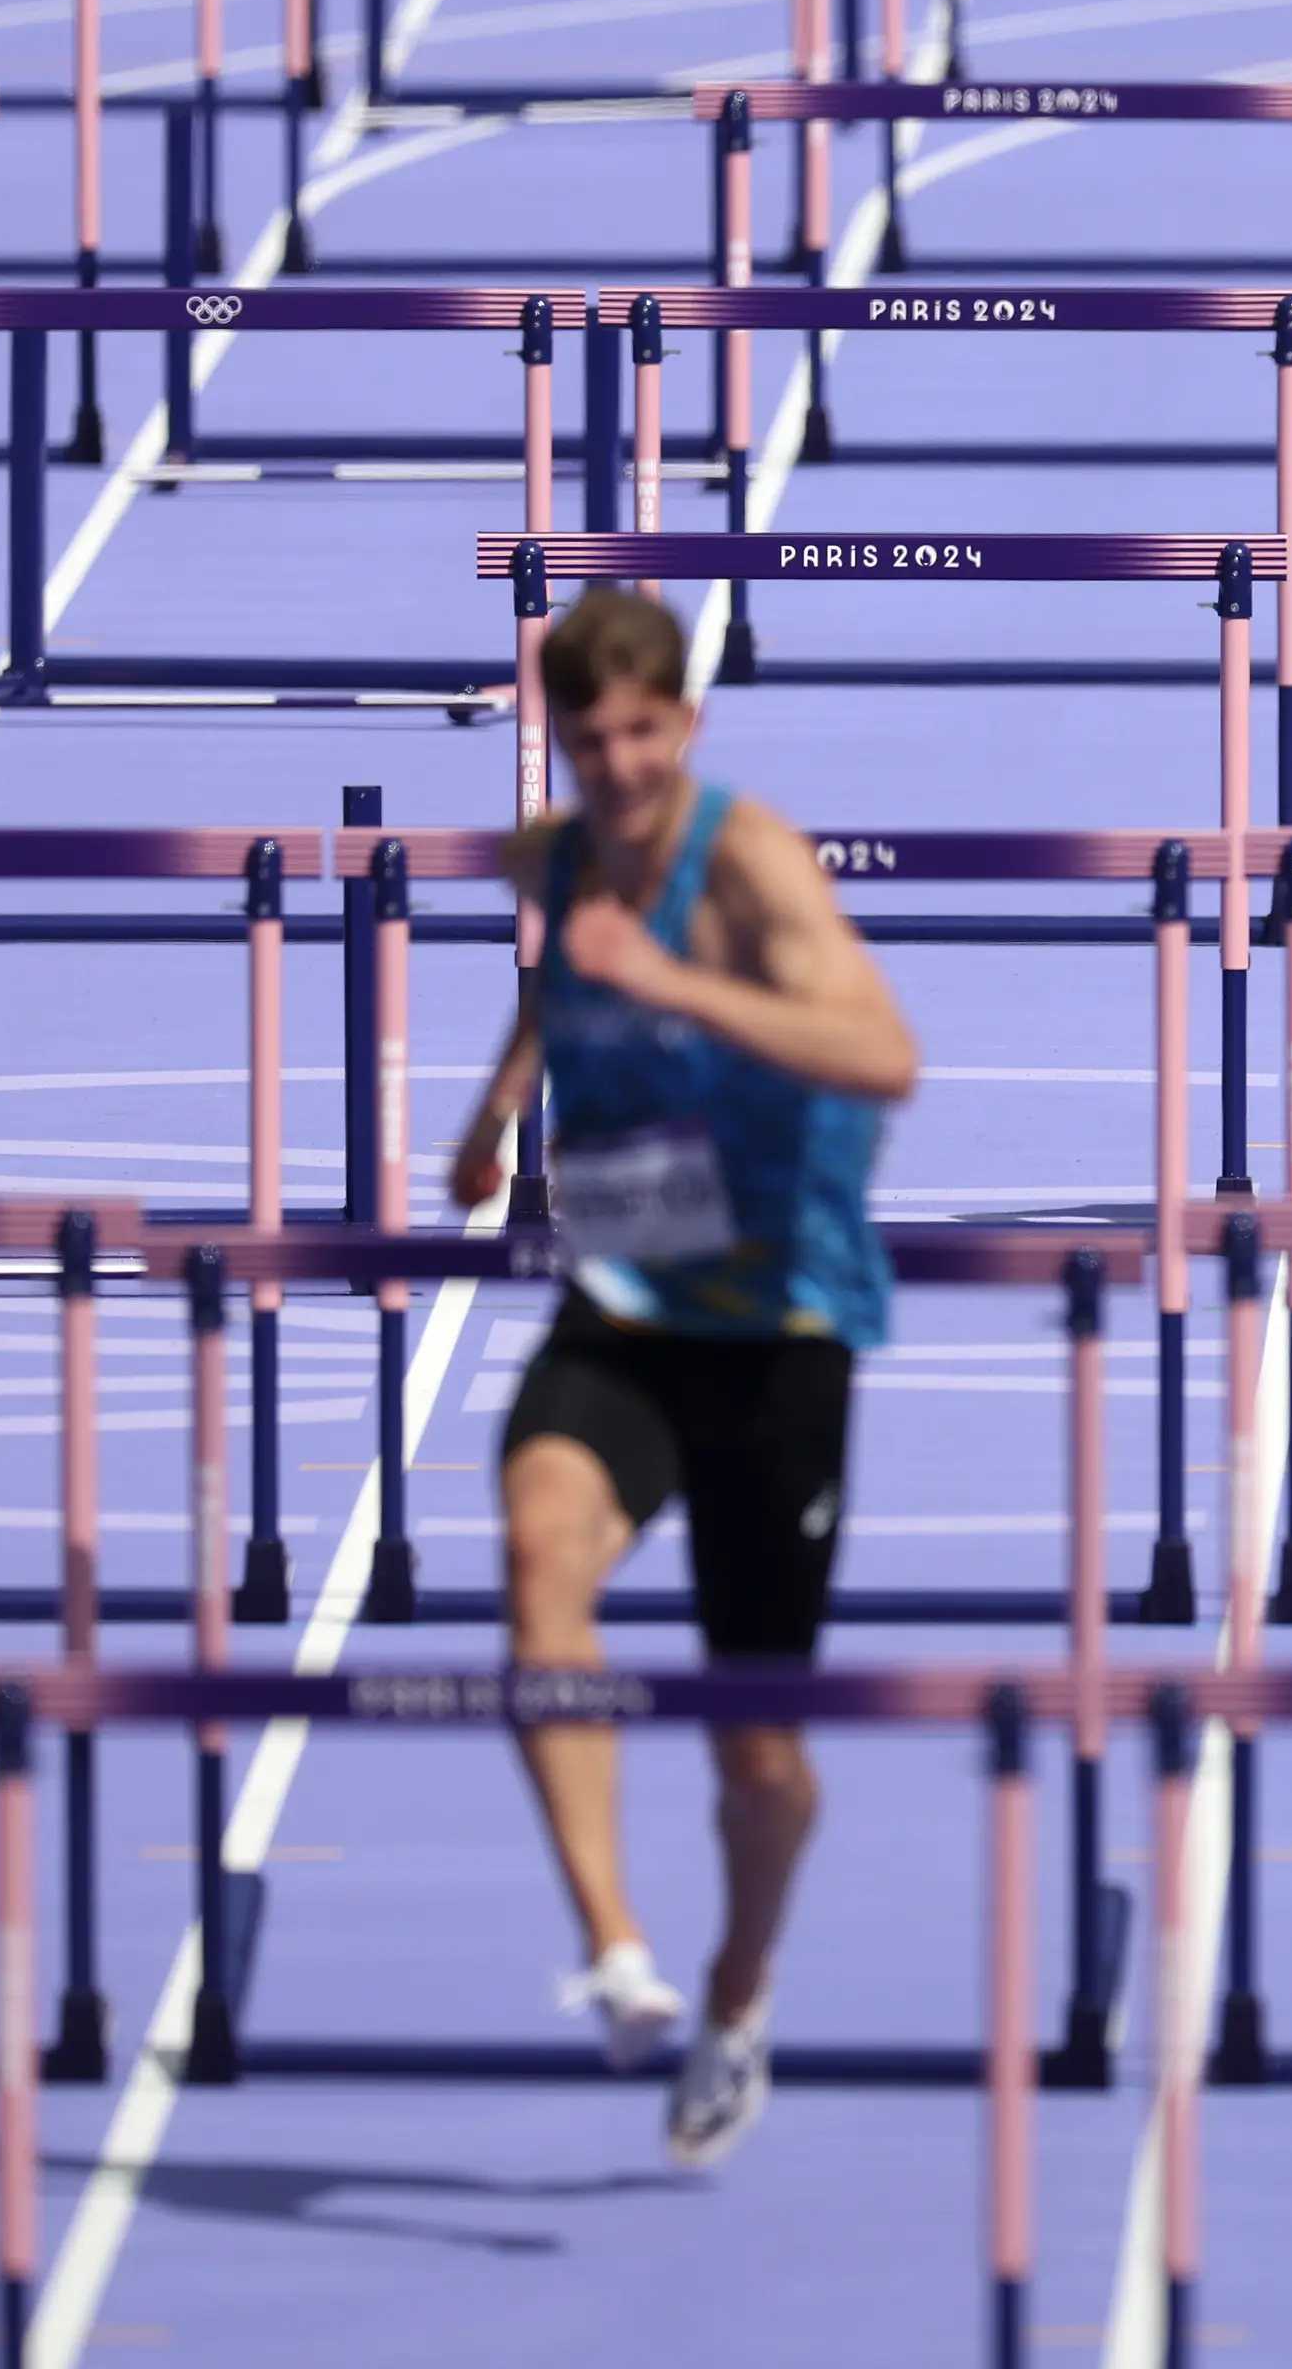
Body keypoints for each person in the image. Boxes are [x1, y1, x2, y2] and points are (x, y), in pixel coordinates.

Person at [445, 588, 919, 2168]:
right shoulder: (573, 853)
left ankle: (734, 1987)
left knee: (755, 1752)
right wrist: (496, 1112)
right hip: (630, 1302)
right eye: (590, 743)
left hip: (780, 1325)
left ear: (687, 729)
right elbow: (561, 969)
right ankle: (621, 1952)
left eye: (644, 736)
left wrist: (677, 993)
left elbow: (884, 1057)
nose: (620, 765)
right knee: (534, 1557)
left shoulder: (750, 860)